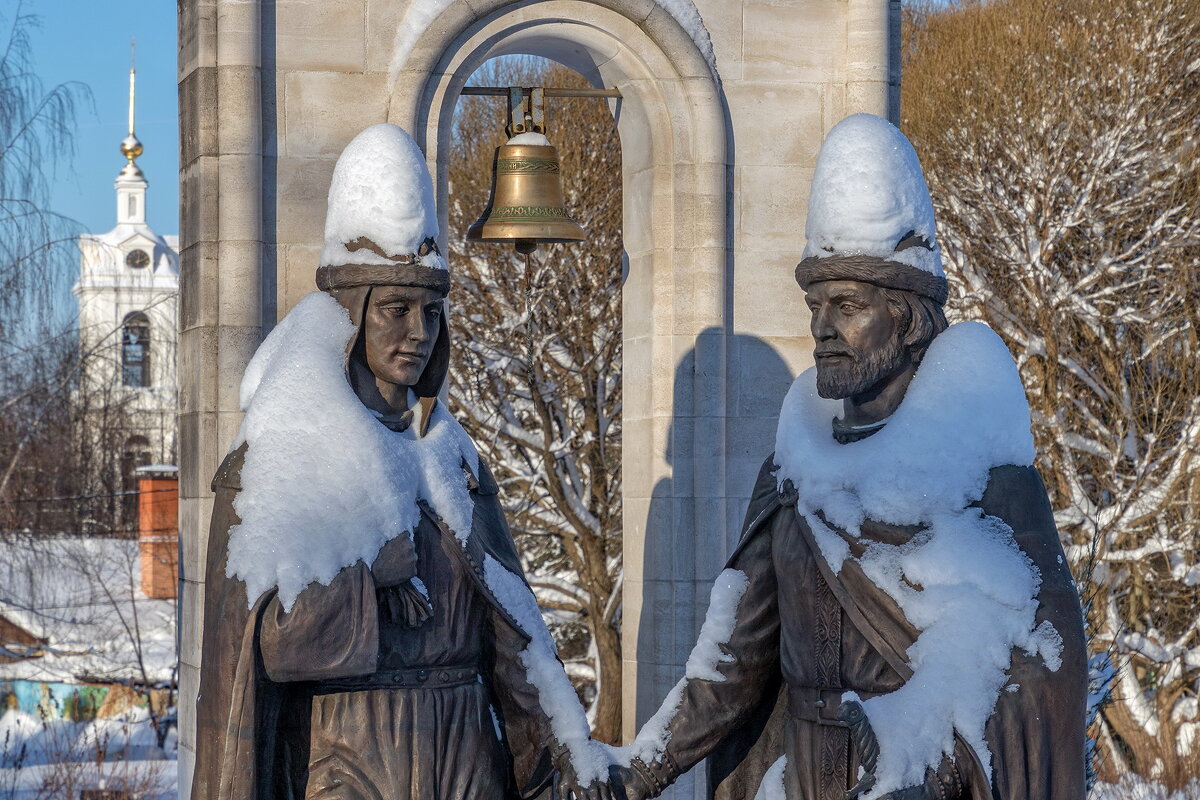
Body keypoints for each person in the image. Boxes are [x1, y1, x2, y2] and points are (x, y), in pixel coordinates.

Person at [600, 114, 1087, 800]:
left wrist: (923, 752)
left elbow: (1032, 672)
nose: (822, 326)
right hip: (796, 780)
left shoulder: (978, 478)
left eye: (848, 305)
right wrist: (639, 767)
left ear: (909, 317)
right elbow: (732, 664)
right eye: (815, 303)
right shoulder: (794, 471)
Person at [192, 124, 606, 800]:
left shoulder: (451, 457)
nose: (418, 332)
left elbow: (510, 626)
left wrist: (558, 750)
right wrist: (363, 581)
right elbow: (260, 649)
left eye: (432, 312)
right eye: (396, 309)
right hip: (348, 753)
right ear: (352, 315)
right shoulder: (284, 455)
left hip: (465, 753)